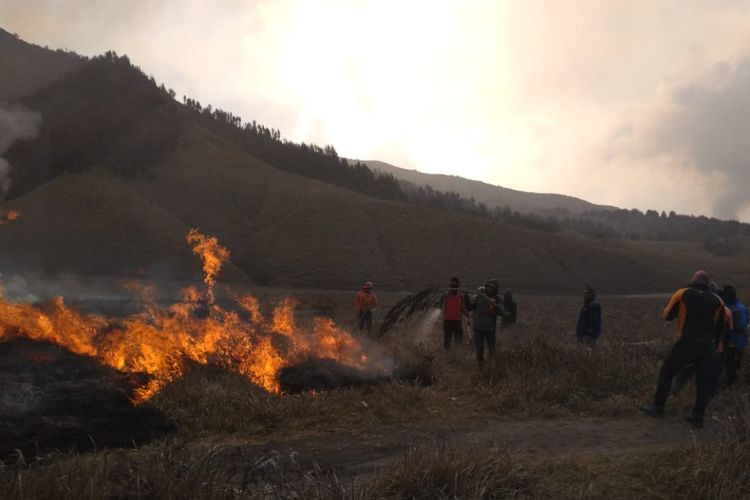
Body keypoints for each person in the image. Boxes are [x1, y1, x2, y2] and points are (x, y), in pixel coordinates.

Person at [641, 270, 727, 429]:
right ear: (708, 283)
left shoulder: (682, 293)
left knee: (667, 372)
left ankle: (658, 406)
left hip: (687, 342)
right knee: (703, 381)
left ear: (694, 280)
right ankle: (698, 416)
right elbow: (721, 327)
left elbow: (667, 315)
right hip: (707, 345)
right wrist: (714, 348)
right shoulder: (718, 300)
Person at [466, 279, 506, 369]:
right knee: (479, 349)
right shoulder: (480, 296)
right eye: (488, 287)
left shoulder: (498, 299)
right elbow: (471, 307)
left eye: (492, 288)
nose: (489, 289)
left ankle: (491, 367)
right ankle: (481, 367)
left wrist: (495, 306)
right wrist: (466, 299)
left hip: (490, 329)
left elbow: (502, 313)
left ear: (495, 289)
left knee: (491, 349)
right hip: (478, 328)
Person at [720, 285, 748, 388]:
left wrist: (738, 346)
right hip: (728, 342)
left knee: (732, 368)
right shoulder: (730, 306)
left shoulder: (738, 310)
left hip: (733, 344)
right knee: (727, 366)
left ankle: (731, 388)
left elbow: (742, 330)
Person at [441, 277, 470, 350]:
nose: (453, 285)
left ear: (458, 285)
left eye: (455, 284)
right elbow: (441, 307)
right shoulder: (446, 295)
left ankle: (457, 354)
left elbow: (462, 308)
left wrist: (467, 314)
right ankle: (447, 354)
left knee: (458, 339)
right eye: (451, 284)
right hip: (447, 321)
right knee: (447, 339)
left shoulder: (460, 296)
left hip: (457, 321)